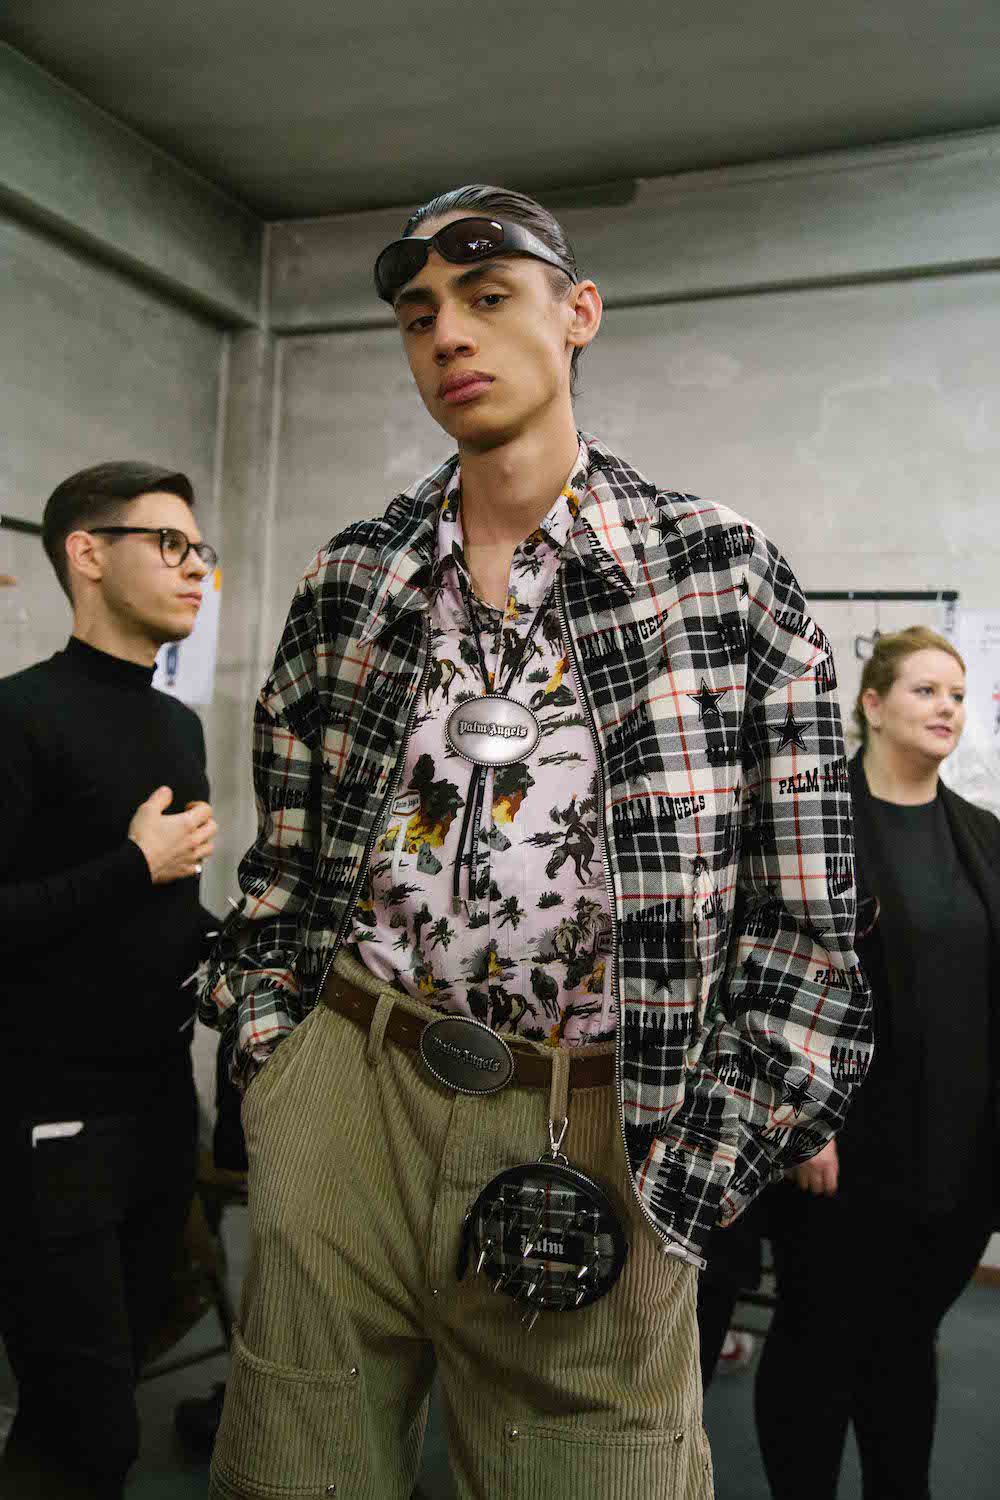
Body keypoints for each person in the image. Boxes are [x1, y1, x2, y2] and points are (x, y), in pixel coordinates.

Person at [201, 185, 872, 1500]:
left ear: (578, 315)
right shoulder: (354, 577)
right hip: (352, 1086)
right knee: (294, 1468)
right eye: (418, 315)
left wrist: (698, 1162)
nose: (448, 333)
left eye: (488, 296)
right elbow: (283, 862)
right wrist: (278, 1065)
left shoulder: (719, 572)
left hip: (600, 1118)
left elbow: (808, 916)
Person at [0, 461, 219, 1499]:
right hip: (51, 1116)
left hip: (161, 1104)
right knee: (84, 1432)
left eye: (200, 549)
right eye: (169, 544)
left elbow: (162, 917)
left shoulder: (177, 727)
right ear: (87, 553)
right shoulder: (20, 717)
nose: (195, 568)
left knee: (118, 1381)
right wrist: (134, 864)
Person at [754, 625, 999, 1500]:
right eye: (926, 690)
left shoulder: (983, 837)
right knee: (818, 1346)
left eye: (957, 695)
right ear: (872, 704)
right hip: (838, 1157)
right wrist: (798, 1117)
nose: (946, 708)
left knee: (905, 1344)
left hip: (954, 1165)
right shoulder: (814, 830)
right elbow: (765, 979)